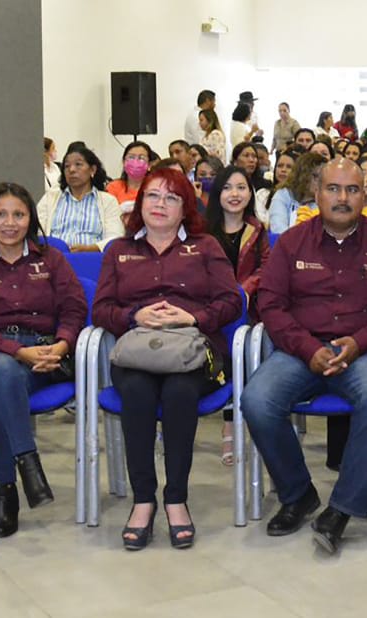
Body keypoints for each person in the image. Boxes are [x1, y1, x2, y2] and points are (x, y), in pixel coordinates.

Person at [243, 158, 367, 555]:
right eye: (333, 189)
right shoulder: (291, 242)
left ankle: (341, 508)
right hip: (299, 349)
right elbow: (270, 304)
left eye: (352, 190)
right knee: (256, 400)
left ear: (365, 195)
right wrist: (308, 348)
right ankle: (298, 494)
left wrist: (359, 342)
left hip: (362, 350)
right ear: (316, 194)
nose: (342, 198)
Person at [93, 167, 241, 551]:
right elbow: (101, 309)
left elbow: (232, 301)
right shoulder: (119, 250)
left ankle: (176, 498)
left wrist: (193, 317)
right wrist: (134, 315)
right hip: (137, 351)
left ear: (185, 208)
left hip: (193, 349)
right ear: (140, 202)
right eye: (153, 195)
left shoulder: (206, 246)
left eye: (171, 198)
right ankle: (144, 500)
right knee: (137, 393)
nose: (160, 204)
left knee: (179, 392)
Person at [0, 182, 81, 537]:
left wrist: (62, 346)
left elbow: (74, 308)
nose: (10, 223)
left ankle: (6, 488)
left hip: (41, 354)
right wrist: (16, 351)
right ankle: (28, 460)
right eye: (1, 214)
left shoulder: (51, 260)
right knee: (4, 369)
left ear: (31, 219)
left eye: (19, 215)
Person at [203, 165, 270, 464]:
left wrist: (244, 289)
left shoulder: (258, 230)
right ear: (218, 193)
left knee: (241, 345)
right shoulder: (203, 232)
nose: (235, 194)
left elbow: (266, 268)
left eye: (241, 187)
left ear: (250, 194)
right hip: (209, 308)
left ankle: (231, 425)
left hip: (246, 310)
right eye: (228, 187)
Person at [36, 145, 123, 252]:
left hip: (93, 258)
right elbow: (37, 232)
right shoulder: (50, 198)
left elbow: (115, 237)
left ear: (92, 169)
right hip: (55, 257)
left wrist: (91, 248)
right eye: (67, 166)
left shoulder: (108, 201)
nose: (71, 170)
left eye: (78, 164)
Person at [269, 151, 325, 234]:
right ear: (304, 175)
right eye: (317, 176)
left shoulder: (325, 200)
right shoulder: (283, 195)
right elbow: (278, 230)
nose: (321, 181)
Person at [106, 142, 156, 209]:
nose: (136, 161)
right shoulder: (113, 187)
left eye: (141, 158)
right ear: (124, 162)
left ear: (149, 164)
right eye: (131, 157)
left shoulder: (154, 188)